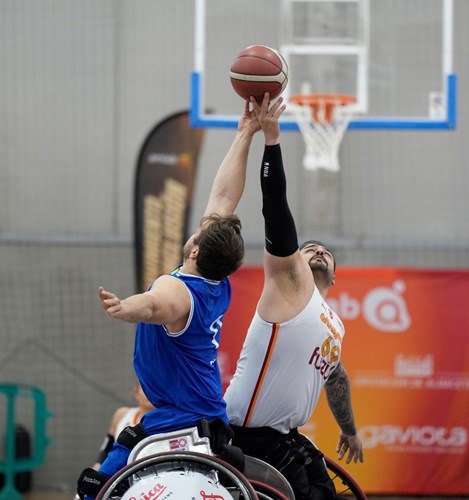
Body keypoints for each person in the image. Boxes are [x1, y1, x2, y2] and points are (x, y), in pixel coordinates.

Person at [76, 101, 261, 500]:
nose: (199, 227)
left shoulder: (179, 291)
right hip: (201, 407)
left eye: (199, 232)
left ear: (195, 250)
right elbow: (224, 195)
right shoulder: (216, 278)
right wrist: (245, 134)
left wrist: (124, 307)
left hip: (182, 415)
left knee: (96, 485)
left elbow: (155, 305)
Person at [224, 93, 364, 500]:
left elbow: (336, 378)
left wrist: (349, 429)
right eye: (308, 248)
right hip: (247, 436)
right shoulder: (291, 284)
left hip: (284, 436)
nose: (318, 250)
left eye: (326, 251)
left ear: (334, 275)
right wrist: (271, 142)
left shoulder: (333, 324)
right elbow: (275, 209)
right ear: (293, 263)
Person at [73, 383, 154, 500]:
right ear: (136, 393)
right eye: (145, 387)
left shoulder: (164, 421)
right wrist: (98, 466)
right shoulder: (122, 414)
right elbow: (107, 446)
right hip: (116, 473)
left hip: (146, 477)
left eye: (153, 387)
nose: (149, 391)